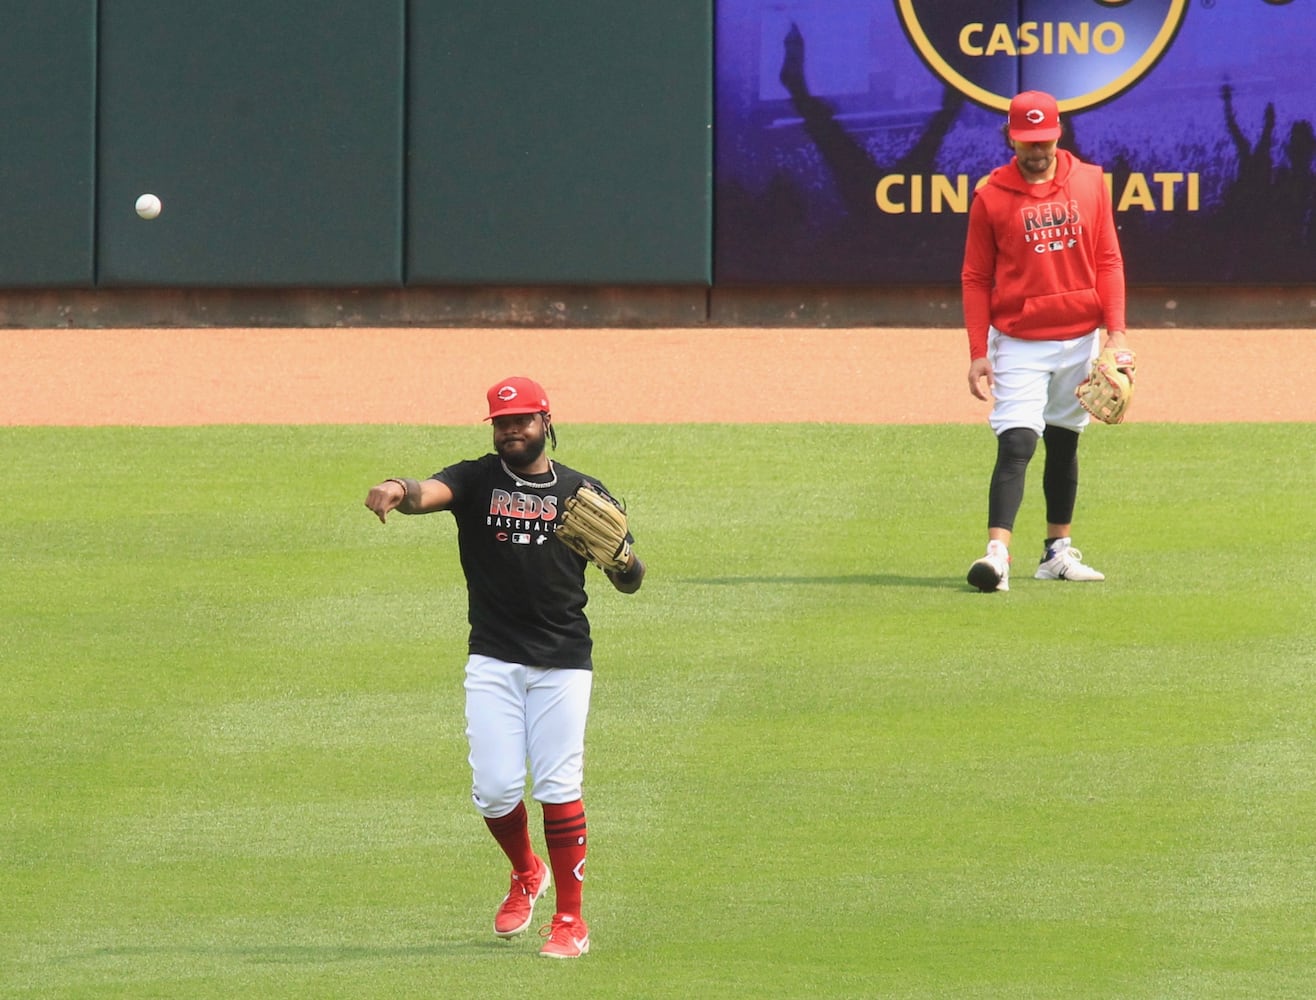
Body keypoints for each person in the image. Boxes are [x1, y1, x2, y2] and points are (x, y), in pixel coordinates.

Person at [363, 376, 645, 958]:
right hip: (493, 657)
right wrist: (397, 486)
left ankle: (571, 920)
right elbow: (428, 492)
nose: (512, 430)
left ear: (547, 422)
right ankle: (526, 872)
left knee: (558, 784)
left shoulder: (582, 492)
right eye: (502, 422)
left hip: (563, 661)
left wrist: (622, 558)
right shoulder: (476, 479)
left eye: (523, 420)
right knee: (493, 790)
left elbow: (631, 581)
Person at [961, 91, 1129, 593]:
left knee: (1064, 439)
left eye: (1045, 139)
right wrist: (976, 353)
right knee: (1017, 440)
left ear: (1059, 133)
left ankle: (1056, 552)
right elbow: (975, 277)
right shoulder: (991, 196)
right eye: (1027, 140)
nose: (1037, 149)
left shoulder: (1090, 183)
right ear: (1010, 136)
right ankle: (996, 555)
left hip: (1079, 335)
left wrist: (1115, 333)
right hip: (1018, 339)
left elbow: (1108, 260)